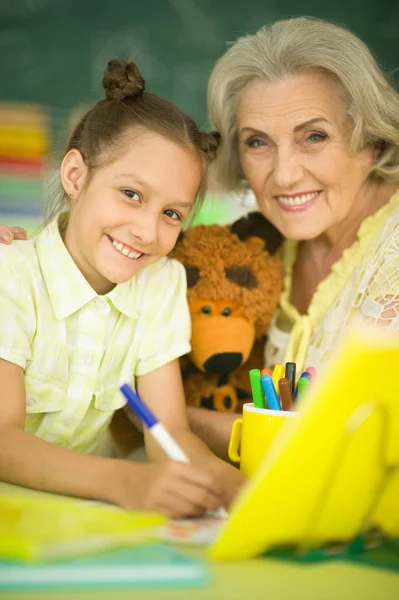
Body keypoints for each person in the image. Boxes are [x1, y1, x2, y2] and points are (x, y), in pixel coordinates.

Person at [0, 58, 244, 515]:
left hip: (81, 528)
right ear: (75, 175)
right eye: (131, 194)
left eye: (172, 213)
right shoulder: (9, 276)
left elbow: (168, 433)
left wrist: (244, 493)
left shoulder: (159, 283)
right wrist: (125, 482)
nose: (148, 232)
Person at [184, 16, 399, 456]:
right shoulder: (256, 250)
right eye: (257, 142)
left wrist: (177, 418)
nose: (283, 175)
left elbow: (358, 451)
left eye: (313, 136)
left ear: (372, 139)